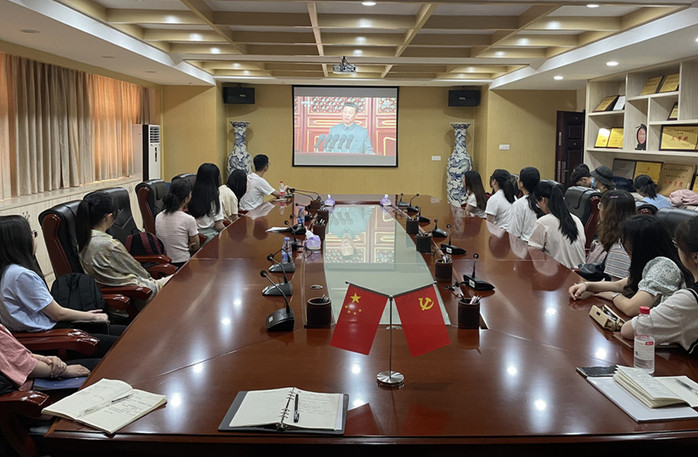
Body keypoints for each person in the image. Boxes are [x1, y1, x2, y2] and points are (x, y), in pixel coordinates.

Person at [0, 216, 122, 356]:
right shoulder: (21, 275)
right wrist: (92, 317)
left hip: (43, 333)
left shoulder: (7, 271)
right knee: (122, 344)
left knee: (123, 334)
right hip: (51, 339)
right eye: (32, 233)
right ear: (20, 241)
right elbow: (58, 314)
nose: (34, 237)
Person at [569, 214, 692, 316]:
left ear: (641, 245)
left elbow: (631, 308)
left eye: (627, 243)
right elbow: (619, 285)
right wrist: (586, 285)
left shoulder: (664, 267)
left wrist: (612, 296)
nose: (624, 247)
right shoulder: (652, 263)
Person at [77, 191, 169, 308]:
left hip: (119, 292)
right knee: (179, 281)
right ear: (108, 217)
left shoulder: (83, 239)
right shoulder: (109, 245)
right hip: (137, 294)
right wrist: (150, 278)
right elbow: (137, 270)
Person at [620, 218, 698, 353]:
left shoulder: (689, 299)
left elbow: (629, 330)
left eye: (679, 245)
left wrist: (613, 296)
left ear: (696, 257)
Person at [0, 323, 92, 395]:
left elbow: (11, 354)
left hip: (33, 372)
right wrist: (64, 371)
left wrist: (43, 359)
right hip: (25, 392)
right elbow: (22, 365)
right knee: (96, 372)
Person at [528, 180, 586, 269]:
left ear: (543, 200)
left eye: (537, 203)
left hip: (558, 274)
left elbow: (533, 254)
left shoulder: (543, 222)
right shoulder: (576, 219)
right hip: (580, 274)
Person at [588, 190, 636, 280]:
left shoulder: (620, 247)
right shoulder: (629, 235)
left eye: (600, 206)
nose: (599, 210)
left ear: (608, 212)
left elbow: (616, 286)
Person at [155, 179, 200, 269]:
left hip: (163, 264)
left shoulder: (158, 216)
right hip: (183, 264)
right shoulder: (188, 219)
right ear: (186, 199)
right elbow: (196, 246)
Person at [188, 163, 225, 240]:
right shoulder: (214, 196)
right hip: (209, 236)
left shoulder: (191, 193)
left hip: (193, 235)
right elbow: (219, 226)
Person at [509, 167, 542, 242]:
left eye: (518, 178)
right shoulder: (543, 201)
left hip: (525, 245)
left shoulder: (519, 204)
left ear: (521, 184)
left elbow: (513, 233)